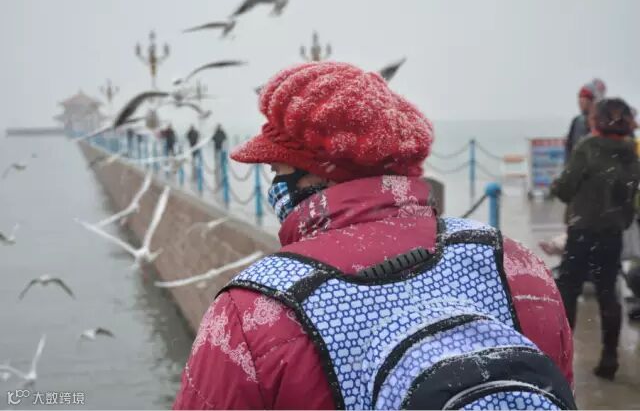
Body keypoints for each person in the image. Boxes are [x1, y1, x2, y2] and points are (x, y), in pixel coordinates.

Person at [173, 62, 575, 410]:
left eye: (278, 171)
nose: (275, 185)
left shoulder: (255, 310)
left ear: (318, 174)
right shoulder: (513, 265)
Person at [552, 98, 640, 380]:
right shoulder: (630, 152)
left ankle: (562, 357)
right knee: (608, 292)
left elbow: (565, 189)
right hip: (612, 233)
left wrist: (557, 185)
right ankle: (610, 357)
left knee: (568, 290)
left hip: (582, 230)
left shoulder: (588, 147)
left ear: (597, 120)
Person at [565, 83, 596, 161]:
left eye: (583, 101)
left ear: (591, 101)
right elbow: (569, 145)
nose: (580, 104)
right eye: (579, 101)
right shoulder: (576, 121)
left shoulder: (600, 121)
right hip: (578, 163)